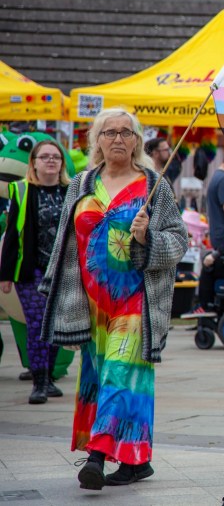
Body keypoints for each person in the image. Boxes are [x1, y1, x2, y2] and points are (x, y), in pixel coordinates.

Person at [40, 108, 188, 490]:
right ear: (97, 140)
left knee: (120, 373)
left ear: (137, 140)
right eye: (110, 132)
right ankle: (137, 460)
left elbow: (178, 241)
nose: (118, 138)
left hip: (135, 302)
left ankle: (98, 455)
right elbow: (66, 243)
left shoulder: (154, 185)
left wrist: (147, 239)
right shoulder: (82, 184)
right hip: (91, 306)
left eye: (126, 132)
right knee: (108, 377)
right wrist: (56, 289)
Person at [0, 140, 70, 404]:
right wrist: (5, 275)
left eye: (56, 157)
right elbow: (11, 235)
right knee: (38, 323)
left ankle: (49, 377)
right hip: (30, 270)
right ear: (34, 163)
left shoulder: (70, 192)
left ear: (62, 164)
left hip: (62, 270)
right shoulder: (21, 190)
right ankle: (38, 381)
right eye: (45, 157)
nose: (51, 161)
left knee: (55, 326)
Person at [188, 148, 224, 314]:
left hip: (223, 236)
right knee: (215, 265)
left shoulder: (220, 178)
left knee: (215, 269)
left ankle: (207, 304)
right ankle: (205, 305)